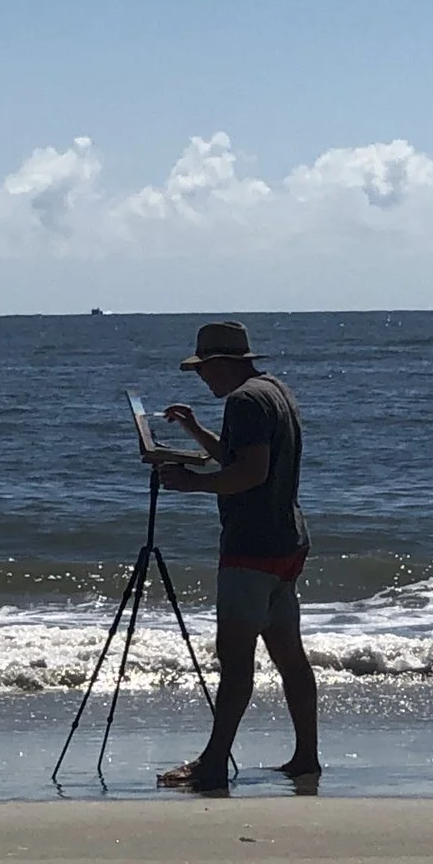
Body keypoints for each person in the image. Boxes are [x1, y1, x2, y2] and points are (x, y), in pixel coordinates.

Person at [154, 320, 319, 792]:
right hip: (287, 540)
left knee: (235, 659)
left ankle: (212, 764)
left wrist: (192, 484)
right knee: (289, 656)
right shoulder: (274, 391)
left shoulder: (244, 401)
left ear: (222, 363)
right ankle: (306, 756)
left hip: (252, 546)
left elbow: (250, 473)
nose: (202, 378)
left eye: (203, 370)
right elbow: (239, 457)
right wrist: (196, 431)